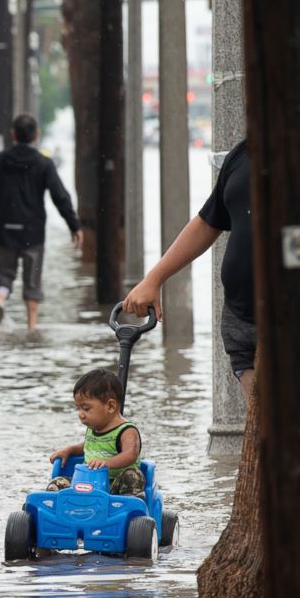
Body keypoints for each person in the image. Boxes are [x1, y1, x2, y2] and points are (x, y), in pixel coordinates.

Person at [122, 140, 254, 404]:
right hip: (241, 317)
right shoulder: (242, 155)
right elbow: (207, 222)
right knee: (261, 425)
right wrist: (153, 279)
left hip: (294, 316)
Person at [0, 113, 84, 329]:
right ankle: (31, 327)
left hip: (5, 230)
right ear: (36, 135)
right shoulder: (44, 163)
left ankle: (0, 300)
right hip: (33, 234)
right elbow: (60, 196)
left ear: (13, 134)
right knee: (32, 282)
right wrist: (74, 225)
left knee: (5, 274)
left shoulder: (0, 161)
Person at [46, 369, 145, 497]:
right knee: (57, 482)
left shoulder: (127, 431)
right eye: (78, 408)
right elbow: (88, 445)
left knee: (133, 475)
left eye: (86, 408)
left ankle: (131, 509)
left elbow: (130, 454)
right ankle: (49, 507)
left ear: (110, 406)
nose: (80, 414)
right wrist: (69, 450)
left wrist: (107, 462)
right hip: (87, 483)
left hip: (115, 488)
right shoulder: (94, 428)